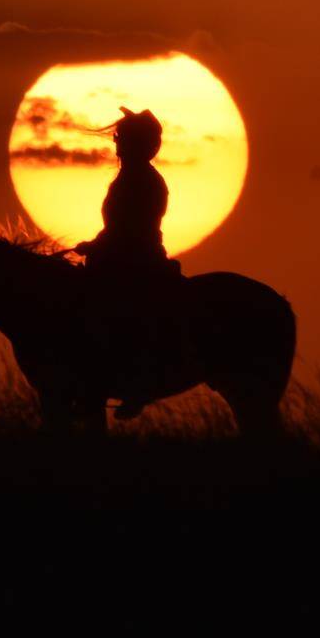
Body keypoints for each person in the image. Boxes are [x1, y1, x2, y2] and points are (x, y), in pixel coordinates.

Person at [75, 107, 183, 419]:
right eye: (118, 136)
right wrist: (95, 244)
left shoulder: (143, 180)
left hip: (138, 261)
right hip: (121, 256)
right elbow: (117, 226)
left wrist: (99, 245)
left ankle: (136, 381)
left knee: (120, 314)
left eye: (122, 137)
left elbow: (131, 228)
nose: (115, 140)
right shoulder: (132, 177)